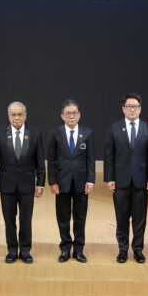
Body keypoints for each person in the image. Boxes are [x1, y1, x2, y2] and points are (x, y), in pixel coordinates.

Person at [103, 92, 148, 264]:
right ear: (123, 109)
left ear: (140, 109)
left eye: (135, 107)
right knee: (121, 218)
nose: (132, 109)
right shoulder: (114, 128)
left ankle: (138, 250)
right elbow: (109, 155)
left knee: (140, 219)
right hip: (120, 181)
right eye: (129, 106)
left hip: (141, 182)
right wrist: (109, 178)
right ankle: (122, 250)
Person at [0, 102, 45, 264]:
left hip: (27, 185)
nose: (17, 117)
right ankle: (12, 250)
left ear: (25, 116)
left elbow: (40, 160)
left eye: (20, 114)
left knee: (26, 220)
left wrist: (40, 183)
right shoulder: (0, 132)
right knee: (9, 220)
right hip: (6, 185)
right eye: (13, 114)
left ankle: (25, 251)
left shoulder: (35, 133)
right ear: (8, 116)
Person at [45, 99, 95, 263]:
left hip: (82, 183)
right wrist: (52, 181)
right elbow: (51, 159)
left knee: (80, 218)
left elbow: (90, 159)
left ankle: (79, 250)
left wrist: (91, 180)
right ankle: (65, 249)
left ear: (79, 115)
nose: (71, 116)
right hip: (62, 183)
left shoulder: (87, 133)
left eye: (74, 113)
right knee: (63, 218)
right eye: (68, 113)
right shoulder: (55, 133)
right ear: (62, 116)